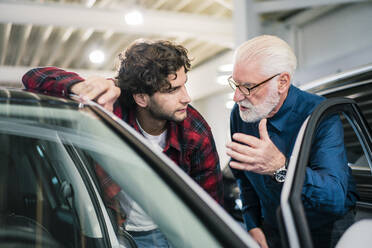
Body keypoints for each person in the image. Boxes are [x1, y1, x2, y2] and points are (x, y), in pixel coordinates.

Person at [22, 39, 223, 247]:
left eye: (184, 85)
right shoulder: (111, 110)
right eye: (172, 90)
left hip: (177, 232)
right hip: (118, 232)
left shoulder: (195, 130)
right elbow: (34, 76)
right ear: (141, 99)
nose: (186, 98)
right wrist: (81, 86)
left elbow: (211, 204)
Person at [225, 35, 358, 248]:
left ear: (282, 82)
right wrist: (252, 224)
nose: (237, 97)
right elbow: (244, 177)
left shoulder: (319, 115)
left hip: (324, 231)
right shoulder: (241, 114)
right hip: (273, 228)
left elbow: (335, 199)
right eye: (235, 84)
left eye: (248, 86)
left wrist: (280, 167)